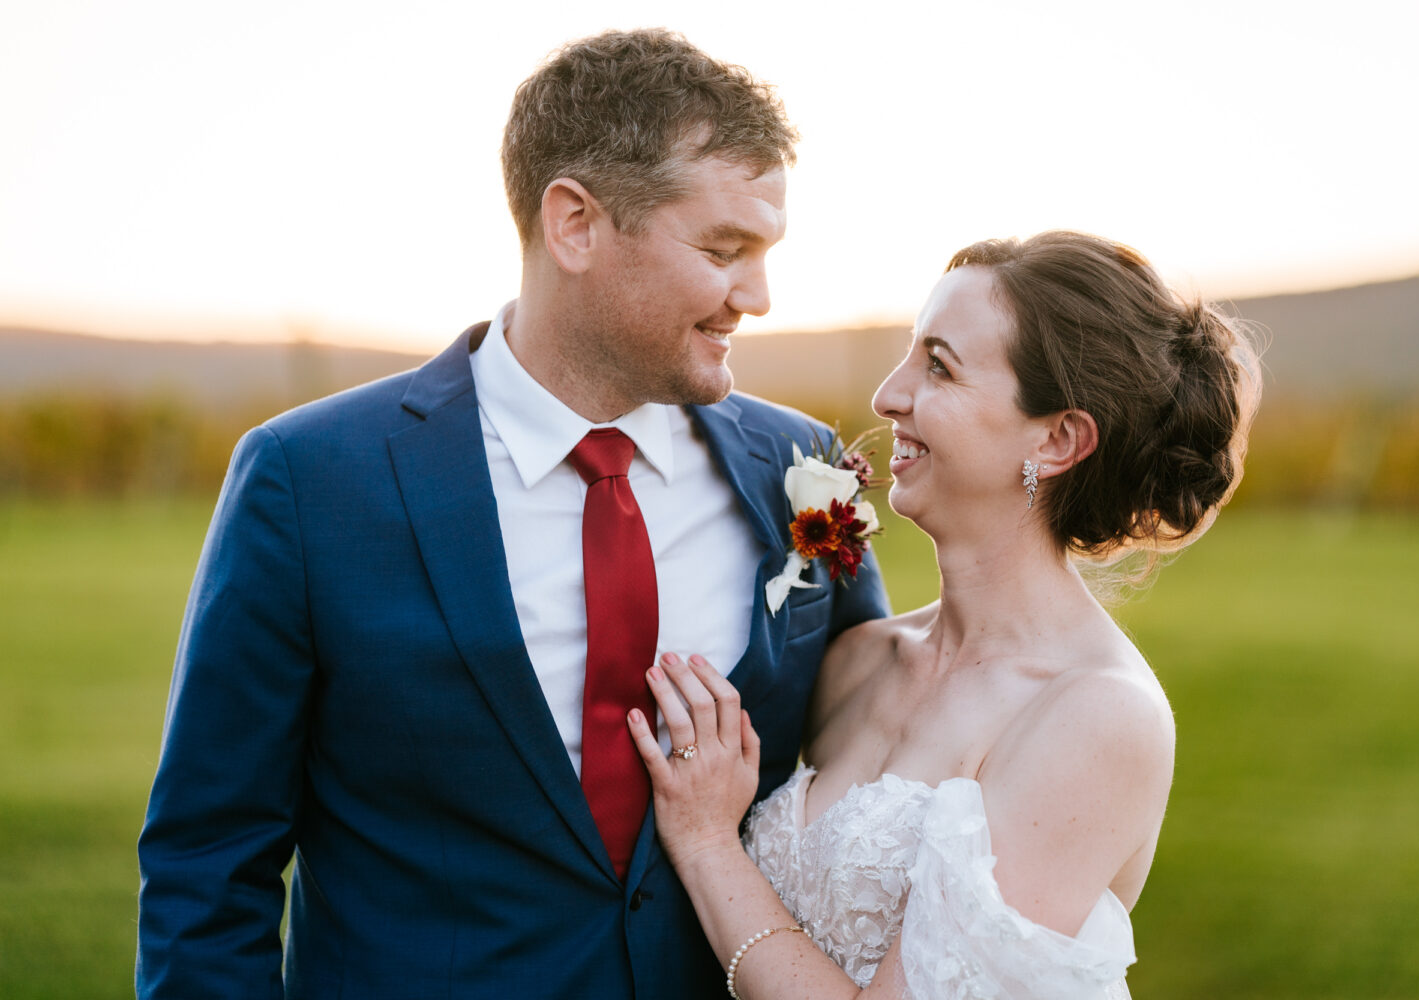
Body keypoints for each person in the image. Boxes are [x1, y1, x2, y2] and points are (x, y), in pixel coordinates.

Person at [135, 28, 889, 1000]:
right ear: (574, 224)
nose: (760, 295)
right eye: (723, 248)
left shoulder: (804, 469)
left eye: (765, 252)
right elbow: (209, 863)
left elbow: (890, 744)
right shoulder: (308, 478)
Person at [627, 230, 1262, 999]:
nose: (887, 396)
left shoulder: (1098, 717)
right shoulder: (859, 659)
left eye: (939, 366)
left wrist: (704, 845)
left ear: (1059, 438)